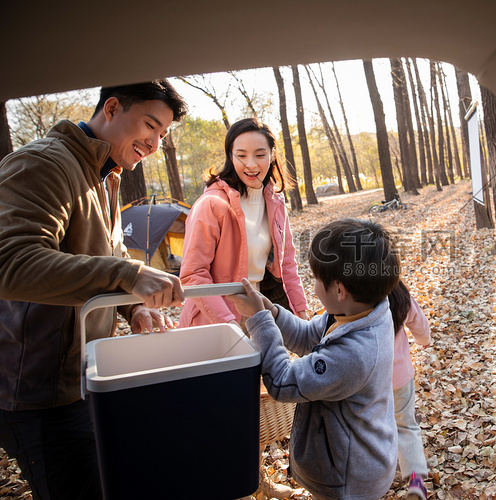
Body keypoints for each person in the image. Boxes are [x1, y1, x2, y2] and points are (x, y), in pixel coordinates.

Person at [0, 80, 189, 500]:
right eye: (149, 126)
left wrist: (131, 308)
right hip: (37, 392)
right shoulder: (42, 163)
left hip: (86, 377)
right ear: (112, 107)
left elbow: (105, 254)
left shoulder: (106, 177)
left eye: (163, 136)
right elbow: (10, 264)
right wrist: (126, 275)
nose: (154, 144)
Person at [227, 218, 400, 500]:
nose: (315, 286)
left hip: (347, 477)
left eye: (317, 279)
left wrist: (259, 322)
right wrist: (272, 313)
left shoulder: (353, 354)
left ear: (340, 290)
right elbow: (309, 337)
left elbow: (282, 382)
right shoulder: (362, 309)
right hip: (353, 460)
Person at [179, 117, 310, 331]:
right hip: (213, 321)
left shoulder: (275, 203)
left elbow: (287, 264)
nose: (251, 164)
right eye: (241, 156)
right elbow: (193, 274)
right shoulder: (211, 205)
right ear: (231, 157)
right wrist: (230, 325)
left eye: (260, 155)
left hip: (259, 314)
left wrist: (301, 314)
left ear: (272, 154)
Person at [389, 280, 431, 500]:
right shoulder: (399, 295)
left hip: (370, 378)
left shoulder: (361, 295)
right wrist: (424, 340)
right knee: (406, 425)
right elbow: (420, 323)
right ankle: (416, 480)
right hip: (400, 378)